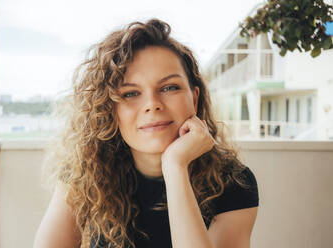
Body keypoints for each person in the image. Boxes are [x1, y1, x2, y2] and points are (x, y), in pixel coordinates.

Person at [33, 18, 259, 248]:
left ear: (194, 96)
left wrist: (174, 166)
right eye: (130, 93)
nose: (152, 104)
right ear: (108, 108)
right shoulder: (84, 173)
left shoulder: (234, 182)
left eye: (169, 87)